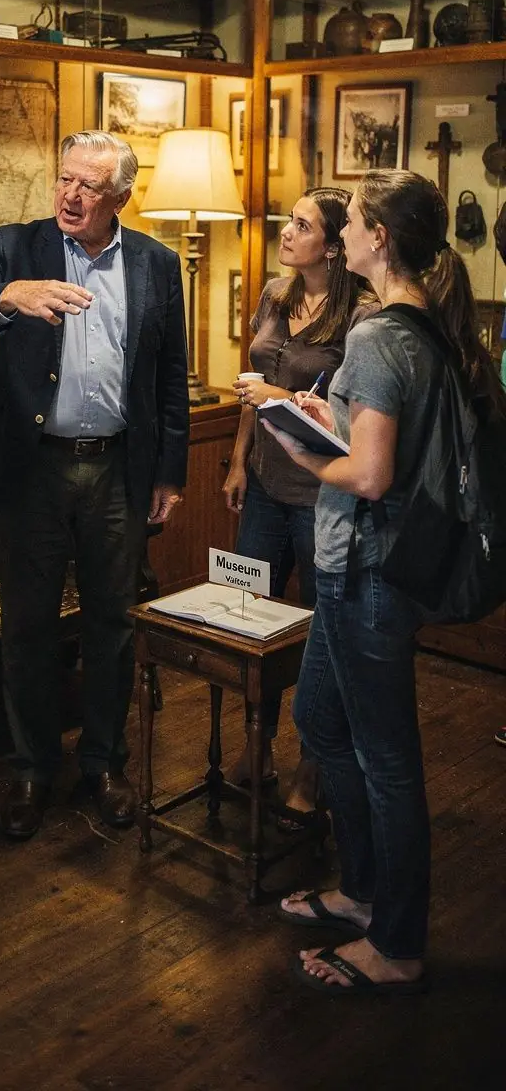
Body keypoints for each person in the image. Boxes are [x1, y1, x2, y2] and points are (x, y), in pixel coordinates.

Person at [269, 170, 506, 995]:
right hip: (363, 569)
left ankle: (396, 942)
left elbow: (369, 476)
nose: (346, 236)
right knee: (319, 720)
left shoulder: (377, 335)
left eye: (357, 223)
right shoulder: (421, 326)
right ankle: (365, 890)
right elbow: (387, 445)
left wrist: (300, 446)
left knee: (386, 759)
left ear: (377, 239)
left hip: (367, 571)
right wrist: (327, 416)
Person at [0, 131, 189, 839]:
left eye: (89, 186)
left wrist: (170, 470)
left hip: (116, 469)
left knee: (113, 623)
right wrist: (8, 297)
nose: (71, 195)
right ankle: (30, 768)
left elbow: (170, 372)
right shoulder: (15, 246)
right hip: (33, 470)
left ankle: (103, 763)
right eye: (64, 180)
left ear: (120, 198)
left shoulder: (156, 263)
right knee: (27, 626)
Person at [222, 188, 369, 828]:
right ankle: (258, 745)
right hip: (264, 484)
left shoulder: (361, 314)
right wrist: (235, 461)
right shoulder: (274, 296)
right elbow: (251, 394)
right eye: (290, 220)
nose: (286, 232)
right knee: (250, 619)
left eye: (302, 225)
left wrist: (281, 391)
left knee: (317, 632)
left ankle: (314, 763)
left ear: (333, 247)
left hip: (320, 495)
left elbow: (354, 413)